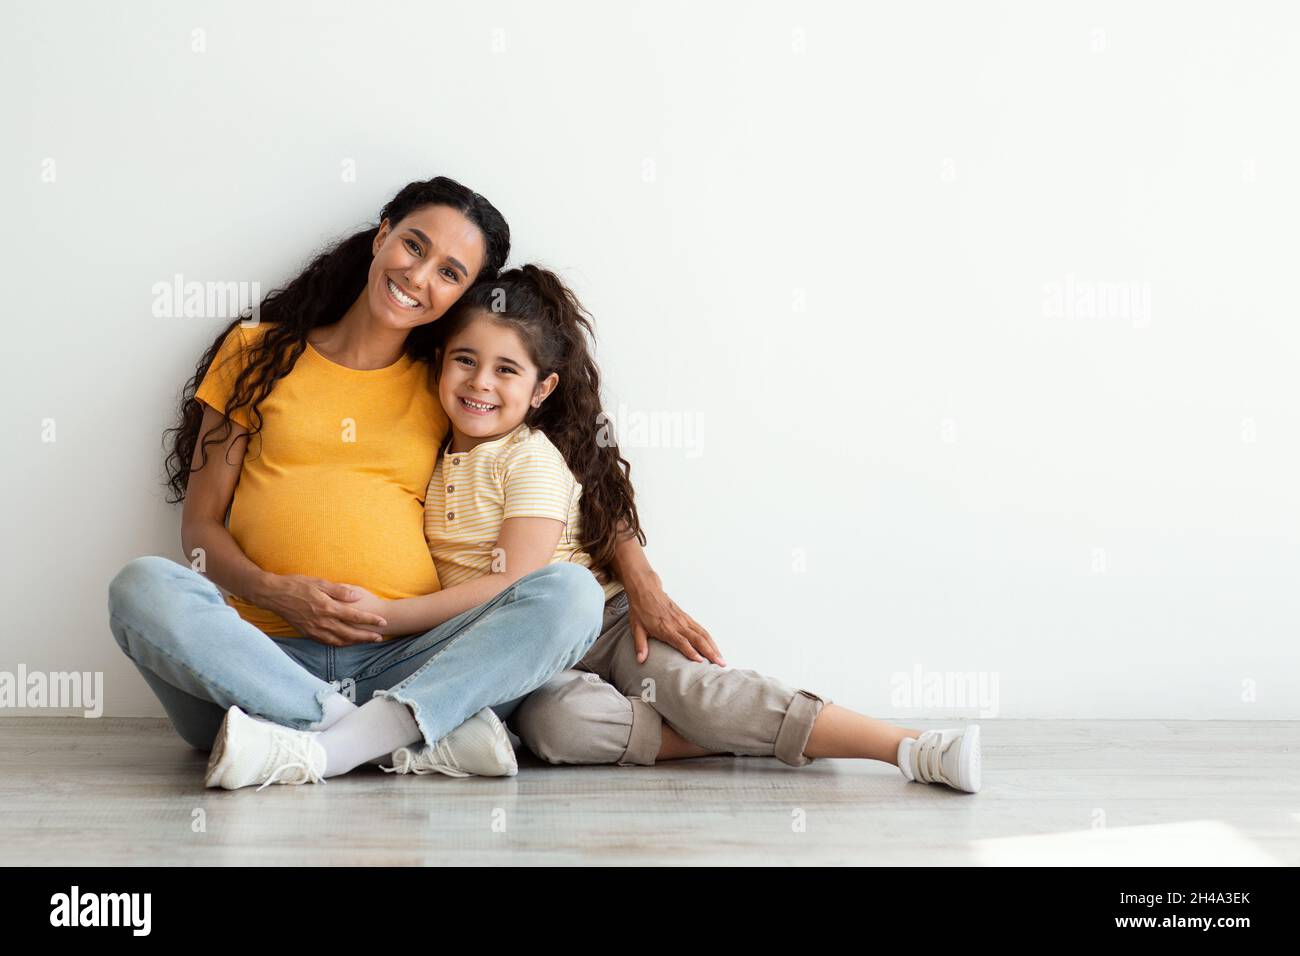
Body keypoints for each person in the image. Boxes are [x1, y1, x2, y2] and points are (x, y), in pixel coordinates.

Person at [107, 176, 707, 791]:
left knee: (570, 595)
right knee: (141, 587)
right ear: (381, 235)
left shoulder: (451, 380)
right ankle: (377, 737)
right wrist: (275, 592)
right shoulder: (256, 355)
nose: (420, 278)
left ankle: (330, 745)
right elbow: (200, 527)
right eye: (414, 246)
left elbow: (577, 462)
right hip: (257, 664)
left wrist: (640, 577)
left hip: (413, 663)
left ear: (464, 297)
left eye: (450, 273)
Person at [343, 265, 984, 794]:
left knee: (695, 689)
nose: (480, 382)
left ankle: (907, 746)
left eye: (506, 370)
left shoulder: (531, 458)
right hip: (530, 654)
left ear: (542, 389)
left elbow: (512, 581)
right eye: (465, 360)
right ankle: (720, 742)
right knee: (558, 726)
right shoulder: (429, 453)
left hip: (606, 623)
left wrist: (394, 616)